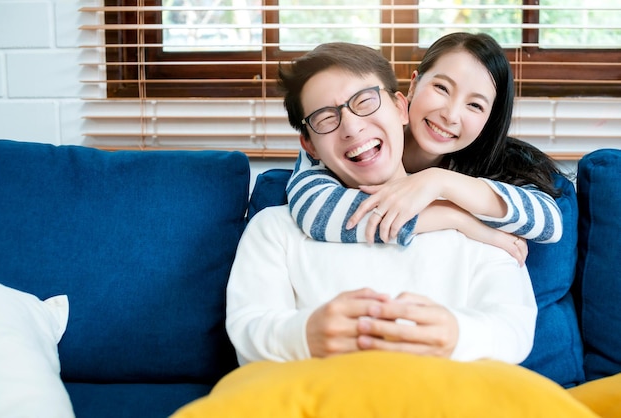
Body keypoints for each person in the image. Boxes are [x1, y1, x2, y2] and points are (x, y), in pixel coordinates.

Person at [225, 42, 537, 367]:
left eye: (365, 101)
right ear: (309, 145)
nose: (352, 127)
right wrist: (304, 335)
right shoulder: (274, 229)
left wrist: (456, 334)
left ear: (402, 107)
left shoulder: (483, 225)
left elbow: (514, 329)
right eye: (325, 117)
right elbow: (248, 332)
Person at [286, 32, 563, 255]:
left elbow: (549, 222)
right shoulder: (352, 137)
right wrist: (457, 219)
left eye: (475, 105)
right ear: (413, 86)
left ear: (489, 119)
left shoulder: (496, 161)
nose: (451, 115)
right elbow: (316, 210)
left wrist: (439, 182)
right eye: (441, 88)